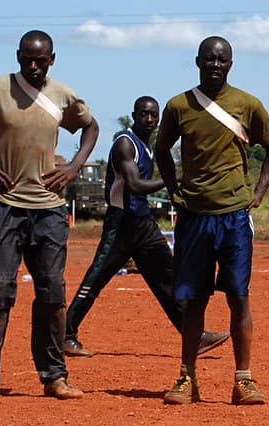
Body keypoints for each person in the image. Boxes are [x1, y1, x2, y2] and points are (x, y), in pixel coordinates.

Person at [0, 30, 100, 406]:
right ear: (17, 56)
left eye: (40, 60)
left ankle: (54, 376)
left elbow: (90, 126)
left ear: (52, 60)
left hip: (49, 210)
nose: (32, 65)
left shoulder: (62, 96)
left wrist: (76, 166)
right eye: (26, 58)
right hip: (2, 206)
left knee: (51, 293)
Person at [154, 36, 269, 405]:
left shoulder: (247, 104)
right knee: (193, 301)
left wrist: (257, 193)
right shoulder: (178, 106)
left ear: (231, 64)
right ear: (197, 61)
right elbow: (162, 150)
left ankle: (243, 379)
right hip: (194, 217)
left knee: (239, 299)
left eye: (221, 59)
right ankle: (186, 377)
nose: (215, 64)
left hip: (234, 218)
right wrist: (174, 190)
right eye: (208, 59)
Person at [63, 95, 230, 359]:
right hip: (121, 223)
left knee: (169, 276)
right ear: (134, 116)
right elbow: (135, 185)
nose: (150, 120)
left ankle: (193, 335)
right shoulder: (125, 145)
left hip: (142, 223)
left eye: (154, 115)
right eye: (144, 114)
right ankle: (65, 334)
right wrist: (173, 178)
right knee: (96, 278)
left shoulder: (148, 147)